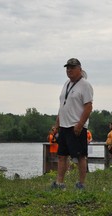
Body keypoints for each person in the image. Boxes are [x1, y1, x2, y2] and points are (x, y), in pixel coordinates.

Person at [51, 58, 93, 190]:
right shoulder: (66, 84)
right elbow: (62, 106)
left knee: (80, 155)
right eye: (67, 68)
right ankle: (59, 183)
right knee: (62, 155)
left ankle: (81, 183)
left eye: (72, 68)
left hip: (76, 126)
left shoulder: (85, 85)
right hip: (64, 125)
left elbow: (88, 107)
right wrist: (57, 124)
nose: (69, 70)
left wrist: (80, 124)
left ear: (80, 69)